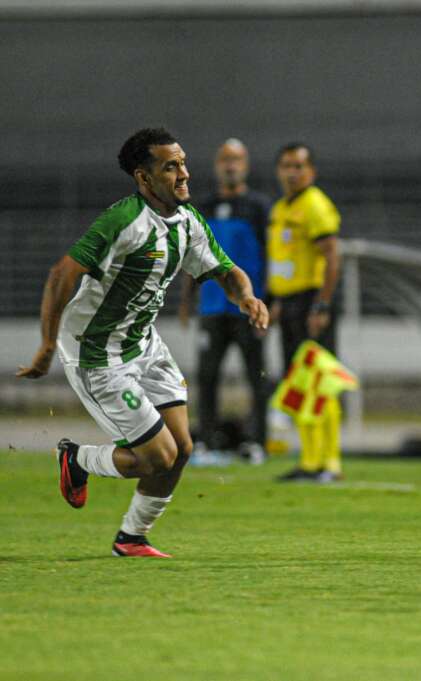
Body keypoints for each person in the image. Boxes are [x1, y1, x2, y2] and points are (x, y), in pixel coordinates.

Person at [16, 128, 268, 557]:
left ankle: (131, 538)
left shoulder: (187, 221)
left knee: (182, 448)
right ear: (144, 177)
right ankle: (77, 459)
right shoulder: (124, 221)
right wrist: (46, 344)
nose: (184, 174)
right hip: (99, 354)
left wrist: (245, 297)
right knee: (157, 457)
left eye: (183, 163)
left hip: (144, 344)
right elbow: (62, 274)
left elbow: (225, 270)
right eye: (171, 167)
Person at [179, 138, 273, 462]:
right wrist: (186, 300)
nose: (230, 166)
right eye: (225, 160)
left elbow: (271, 257)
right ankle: (207, 441)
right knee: (207, 376)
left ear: (245, 166)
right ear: (217, 165)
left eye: (236, 160)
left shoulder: (259, 208)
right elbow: (193, 256)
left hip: (249, 308)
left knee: (256, 375)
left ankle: (257, 442)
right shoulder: (202, 207)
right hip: (212, 307)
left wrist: (267, 302)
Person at [267, 142, 343, 483]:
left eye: (298, 166)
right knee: (298, 382)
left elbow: (332, 257)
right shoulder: (281, 208)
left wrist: (322, 304)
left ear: (311, 171)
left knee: (320, 382)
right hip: (290, 302)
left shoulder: (315, 205)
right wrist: (278, 301)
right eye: (287, 166)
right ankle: (310, 461)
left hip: (312, 301)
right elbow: (284, 260)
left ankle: (331, 462)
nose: (292, 172)